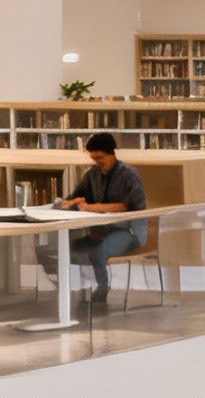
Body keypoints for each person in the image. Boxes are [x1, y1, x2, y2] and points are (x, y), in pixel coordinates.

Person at [41, 132, 146, 309]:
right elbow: (78, 196)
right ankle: (64, 288)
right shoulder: (93, 175)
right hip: (100, 232)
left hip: (128, 232)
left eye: (100, 158)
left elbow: (126, 207)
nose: (97, 162)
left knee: (97, 251)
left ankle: (101, 291)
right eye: (93, 158)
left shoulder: (129, 175)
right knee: (54, 249)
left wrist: (91, 207)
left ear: (112, 154)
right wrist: (69, 202)